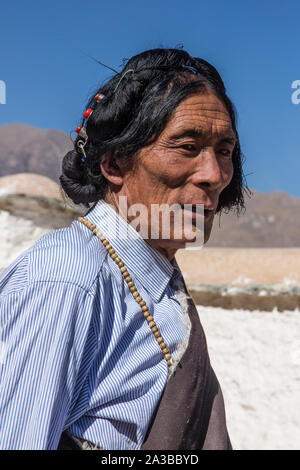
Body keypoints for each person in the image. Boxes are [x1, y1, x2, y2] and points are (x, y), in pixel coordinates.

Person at [0, 48, 246, 450]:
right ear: (114, 164)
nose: (214, 175)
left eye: (224, 151)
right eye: (187, 147)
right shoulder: (68, 280)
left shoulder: (157, 279)